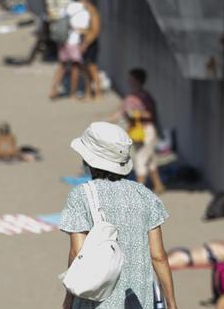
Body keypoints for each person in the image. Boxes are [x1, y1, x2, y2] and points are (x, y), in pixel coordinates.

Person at [60, 122, 177, 309]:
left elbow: (77, 252)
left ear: (90, 161)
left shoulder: (81, 195)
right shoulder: (144, 194)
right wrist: (172, 304)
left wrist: (68, 300)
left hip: (96, 302)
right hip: (138, 301)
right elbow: (159, 256)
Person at [120, 68, 164, 193]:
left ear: (138, 81)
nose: (128, 81)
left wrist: (136, 114)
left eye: (131, 78)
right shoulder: (131, 96)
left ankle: (138, 192)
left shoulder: (145, 97)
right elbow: (121, 111)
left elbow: (151, 114)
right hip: (135, 131)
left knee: (140, 159)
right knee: (149, 159)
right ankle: (159, 185)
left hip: (147, 131)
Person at [49, 0, 89, 99]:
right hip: (74, 43)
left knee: (61, 67)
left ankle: (53, 89)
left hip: (63, 40)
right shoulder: (84, 12)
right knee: (75, 68)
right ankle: (72, 93)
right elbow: (83, 30)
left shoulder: (67, 7)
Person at [77, 0, 102, 100]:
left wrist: (85, 44)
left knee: (92, 69)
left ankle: (98, 93)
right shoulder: (87, 13)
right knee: (85, 70)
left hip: (90, 45)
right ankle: (89, 92)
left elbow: (95, 31)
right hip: (86, 43)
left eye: (81, 2)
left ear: (86, 2)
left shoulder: (93, 13)